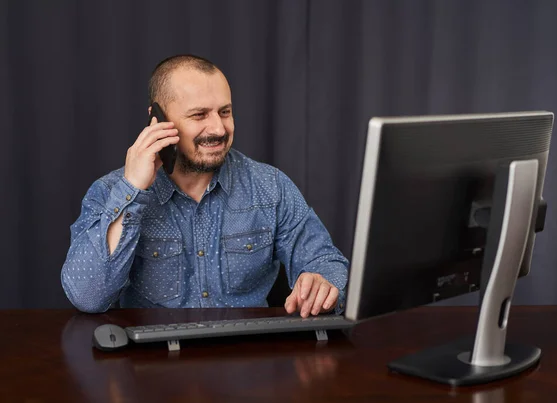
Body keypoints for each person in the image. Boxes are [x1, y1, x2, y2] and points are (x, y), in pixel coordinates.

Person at [61, 55, 349, 317]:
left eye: (224, 112)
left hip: (247, 362)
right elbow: (88, 297)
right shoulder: (110, 191)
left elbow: (325, 261)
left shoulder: (271, 187)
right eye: (199, 115)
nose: (219, 129)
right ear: (157, 119)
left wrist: (323, 281)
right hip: (153, 365)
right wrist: (133, 188)